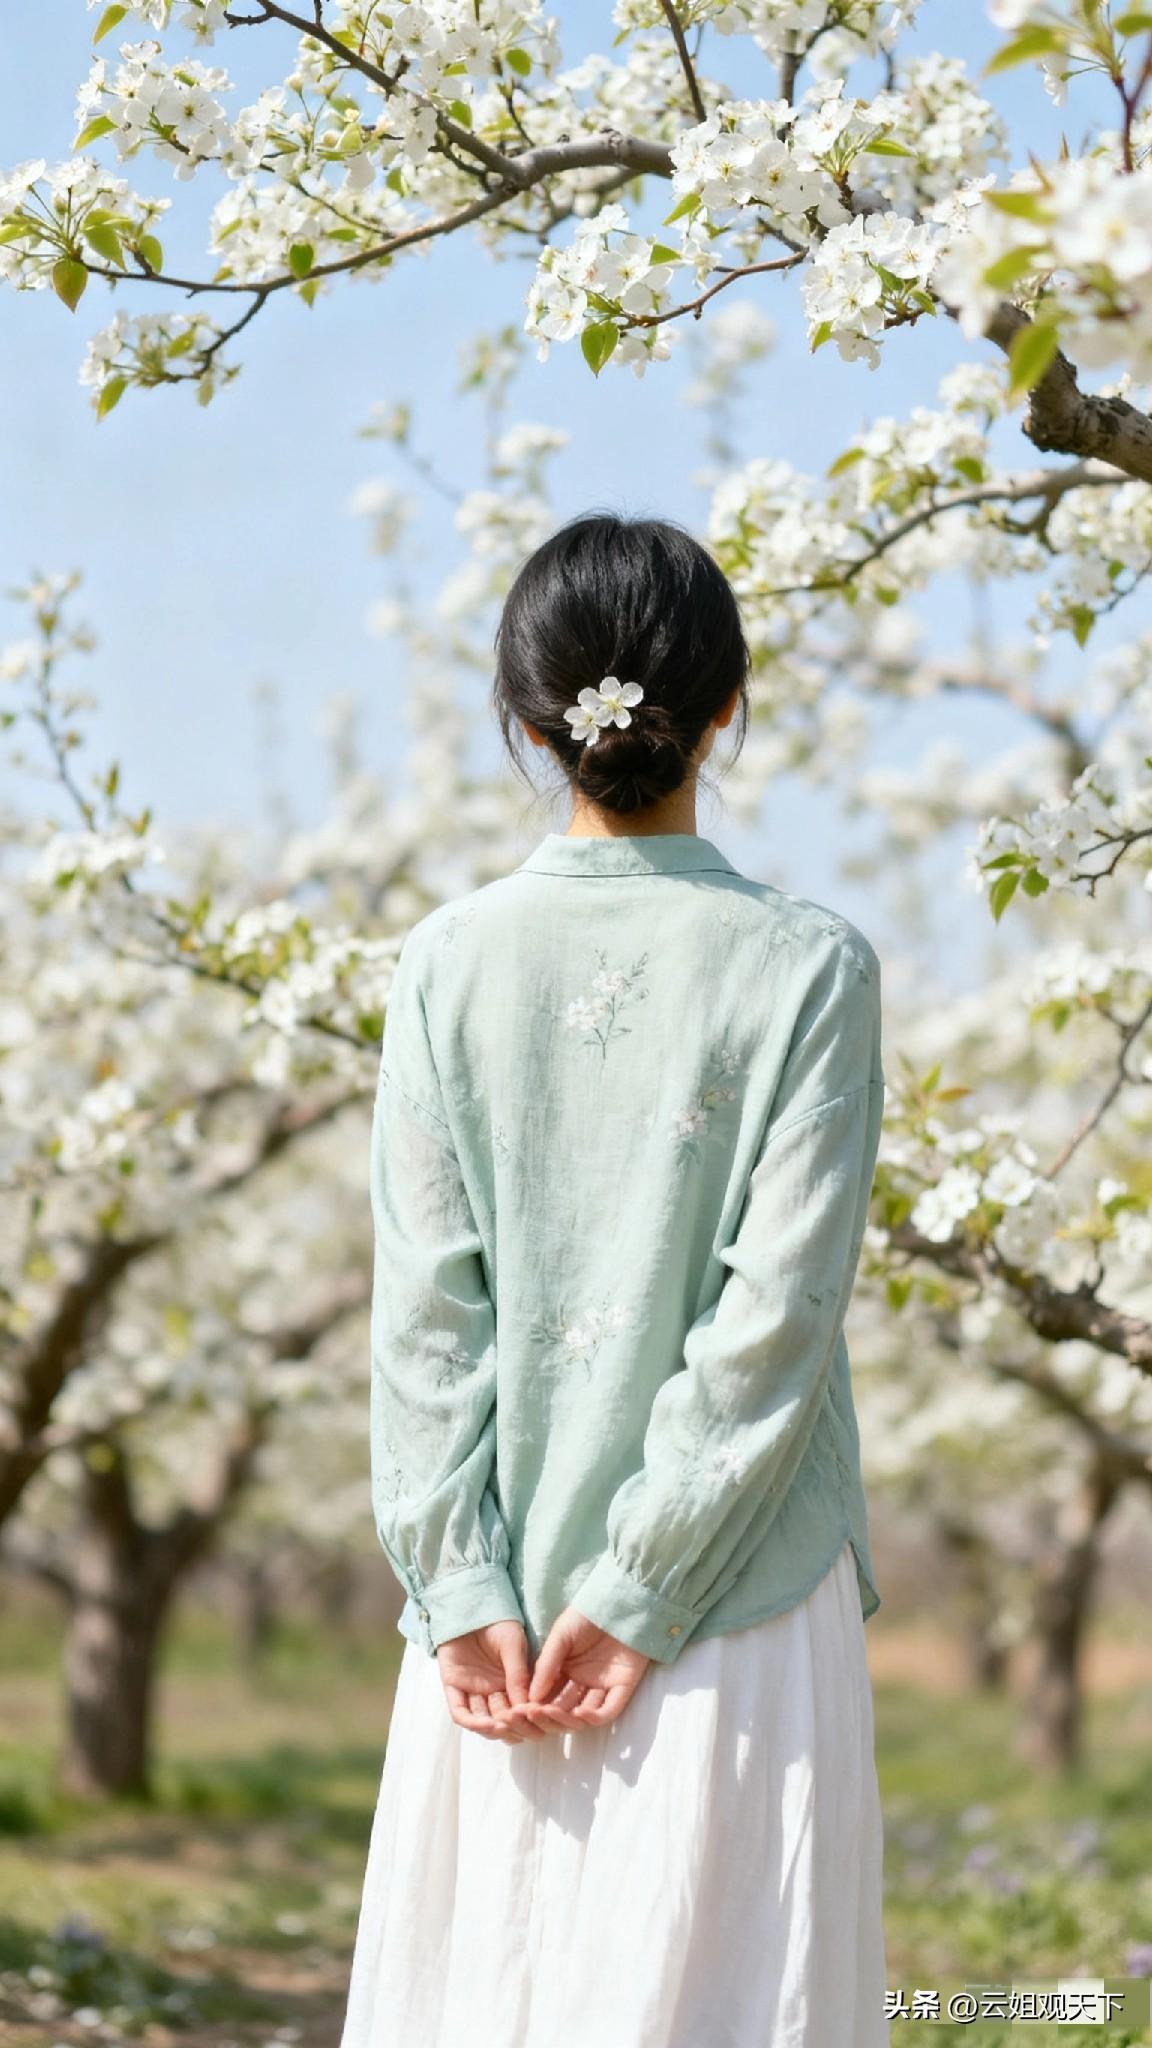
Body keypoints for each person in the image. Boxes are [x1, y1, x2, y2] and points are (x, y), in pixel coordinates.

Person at [338, 513, 891, 2048]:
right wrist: (641, 1589)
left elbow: (425, 1319)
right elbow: (772, 1327)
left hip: (497, 1634)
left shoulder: (445, 962)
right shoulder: (812, 966)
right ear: (730, 703)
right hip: (733, 1599)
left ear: (526, 722)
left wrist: (456, 1586)